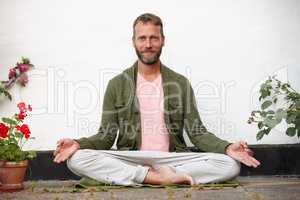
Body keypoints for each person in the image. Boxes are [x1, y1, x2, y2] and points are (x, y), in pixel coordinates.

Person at [53, 13, 260, 186]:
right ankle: (154, 178)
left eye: (154, 38)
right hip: (132, 158)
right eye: (142, 38)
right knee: (77, 159)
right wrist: (78, 144)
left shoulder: (180, 83)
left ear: (163, 40)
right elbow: (106, 136)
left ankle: (159, 174)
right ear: (134, 41)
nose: (148, 44)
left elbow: (198, 133)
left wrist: (226, 147)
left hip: (172, 158)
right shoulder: (117, 84)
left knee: (230, 164)